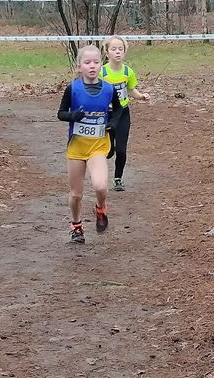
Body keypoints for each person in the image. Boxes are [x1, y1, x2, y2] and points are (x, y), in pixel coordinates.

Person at [57, 45, 124, 244]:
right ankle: (76, 226)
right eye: (87, 63)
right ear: (79, 67)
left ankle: (100, 208)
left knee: (101, 186)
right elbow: (60, 113)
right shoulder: (73, 88)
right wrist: (73, 115)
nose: (92, 66)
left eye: (96, 62)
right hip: (77, 147)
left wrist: (112, 123)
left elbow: (119, 111)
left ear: (101, 64)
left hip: (98, 145)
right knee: (76, 194)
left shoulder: (108, 89)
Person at [100, 36, 150, 192]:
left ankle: (117, 178)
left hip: (122, 113)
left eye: (120, 49)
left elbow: (131, 90)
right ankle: (109, 150)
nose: (117, 52)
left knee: (121, 150)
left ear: (124, 52)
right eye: (113, 49)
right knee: (108, 151)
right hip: (105, 114)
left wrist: (141, 96)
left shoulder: (128, 72)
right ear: (107, 52)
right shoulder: (101, 72)